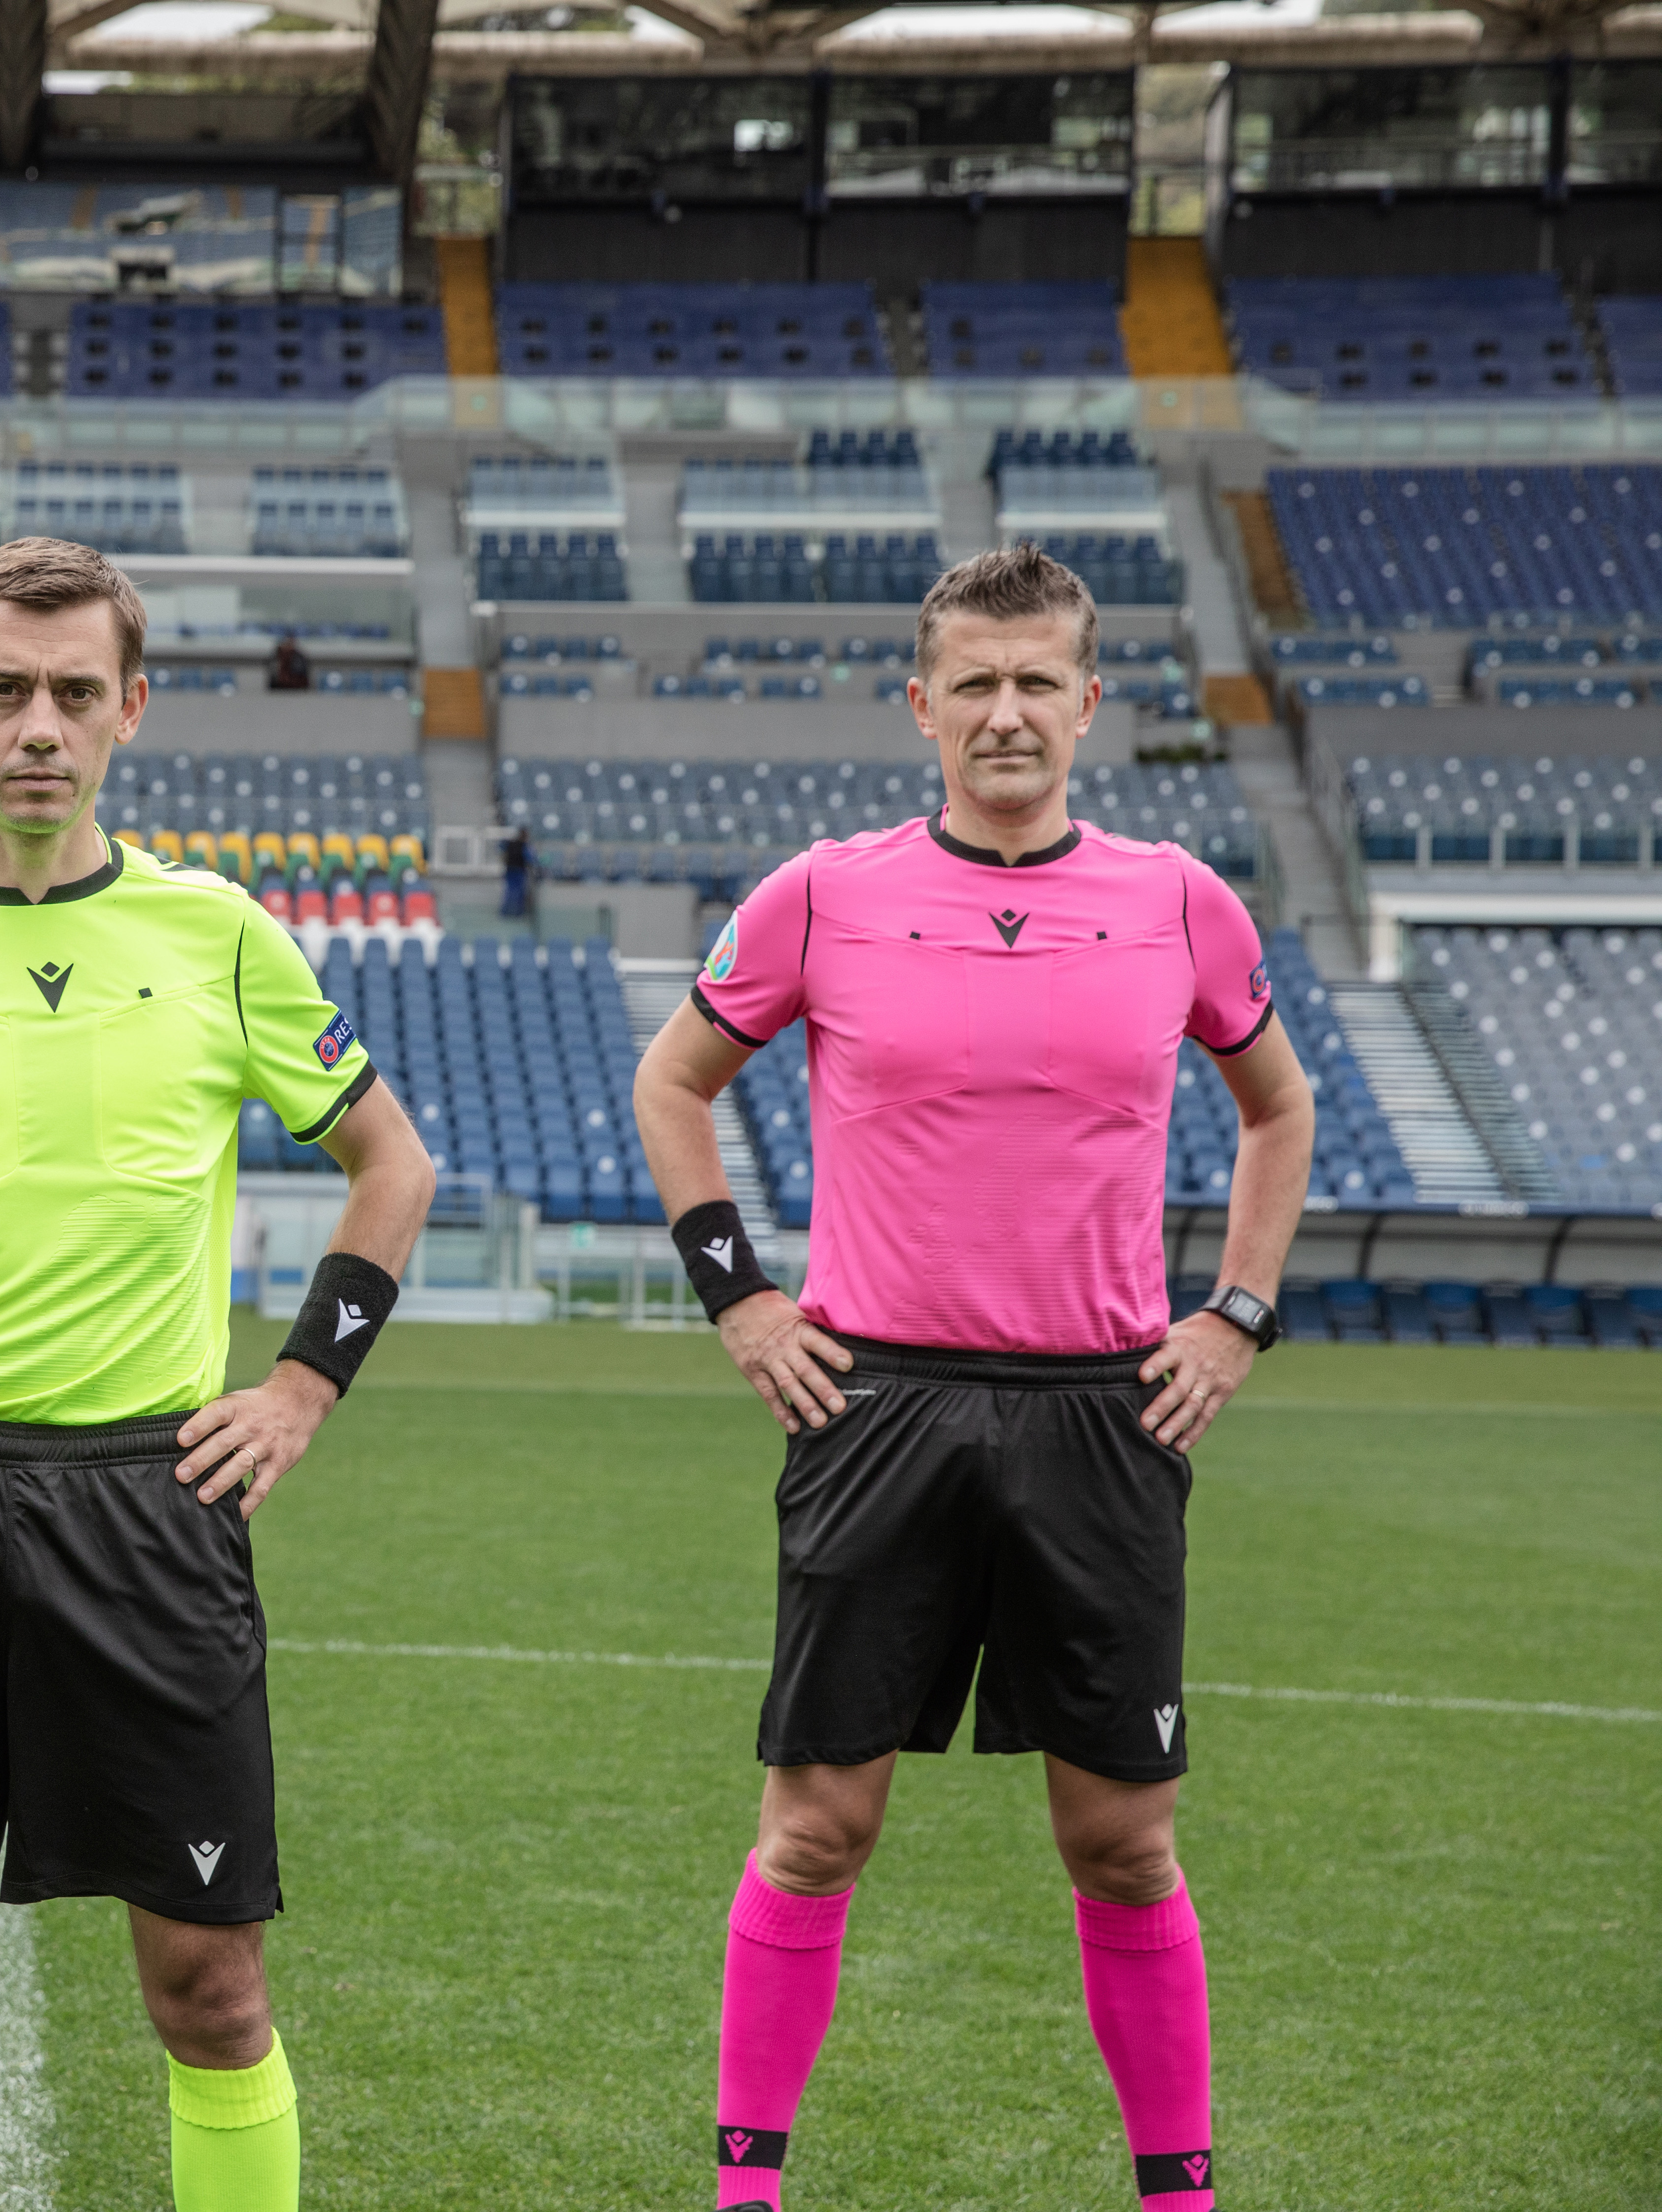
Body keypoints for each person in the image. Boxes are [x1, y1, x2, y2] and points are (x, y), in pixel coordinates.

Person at [0, 537, 436, 2211]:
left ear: (131, 708)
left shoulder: (222, 932)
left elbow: (389, 1165)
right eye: (5, 691)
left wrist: (301, 1388)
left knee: (212, 1985)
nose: (38, 725)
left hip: (150, 1501)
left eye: (73, 693)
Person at [630, 544, 1314, 2212]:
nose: (1006, 715)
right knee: (815, 1830)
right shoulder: (822, 892)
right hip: (878, 1409)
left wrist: (1234, 1312)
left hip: (1106, 1411)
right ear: (921, 703)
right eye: (975, 685)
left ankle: (1178, 2193)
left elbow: (1277, 1109)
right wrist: (741, 1300)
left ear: (1088, 704)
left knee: (1124, 1842)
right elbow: (675, 1079)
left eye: (1038, 684)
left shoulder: (1179, 900)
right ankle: (747, 2193)